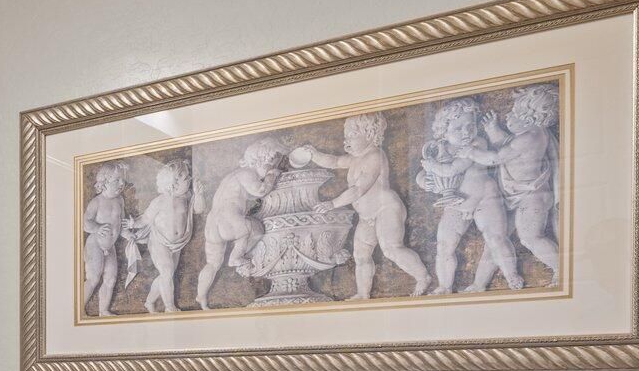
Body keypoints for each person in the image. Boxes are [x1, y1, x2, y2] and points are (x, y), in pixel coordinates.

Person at [294, 112, 431, 299]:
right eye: (346, 135)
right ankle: (363, 294)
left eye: (352, 134)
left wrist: (332, 203)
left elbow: (359, 190)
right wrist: (314, 154)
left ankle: (423, 277)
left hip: (386, 209)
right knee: (361, 255)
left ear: (370, 135)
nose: (347, 139)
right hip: (366, 217)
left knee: (391, 248)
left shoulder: (375, 156)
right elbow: (334, 161)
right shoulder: (355, 158)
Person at [416, 96, 522, 293]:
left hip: (485, 199)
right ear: (444, 131)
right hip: (457, 203)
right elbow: (424, 173)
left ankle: (511, 275)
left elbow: (454, 169)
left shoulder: (476, 144)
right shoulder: (439, 149)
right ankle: (444, 286)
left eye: (470, 126)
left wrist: (434, 167)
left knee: (496, 239)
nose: (466, 132)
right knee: (444, 245)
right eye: (458, 128)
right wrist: (424, 181)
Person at [464, 84, 560, 278]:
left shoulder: (531, 137)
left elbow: (496, 158)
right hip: (517, 195)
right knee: (495, 240)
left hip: (532, 197)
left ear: (530, 116)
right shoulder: (529, 135)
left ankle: (562, 269)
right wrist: (493, 130)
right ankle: (479, 283)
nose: (509, 115)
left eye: (515, 112)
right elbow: (509, 148)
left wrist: (471, 152)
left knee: (530, 237)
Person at [194, 136, 285, 309]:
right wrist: (272, 176)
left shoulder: (233, 176)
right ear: (260, 160)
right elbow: (261, 190)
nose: (270, 169)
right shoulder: (247, 173)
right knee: (255, 229)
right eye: (270, 165)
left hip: (212, 225)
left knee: (212, 264)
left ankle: (201, 296)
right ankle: (236, 257)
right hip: (228, 219)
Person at [132, 161, 195, 313]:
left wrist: (199, 194)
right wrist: (133, 223)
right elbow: (145, 218)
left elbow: (198, 208)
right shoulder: (159, 201)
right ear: (173, 183)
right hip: (159, 242)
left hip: (178, 244)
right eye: (186, 178)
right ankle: (169, 307)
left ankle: (149, 302)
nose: (190, 180)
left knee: (166, 275)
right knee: (167, 272)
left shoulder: (185, 197)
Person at [81, 163, 137, 316]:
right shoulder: (97, 202)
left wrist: (128, 234)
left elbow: (120, 223)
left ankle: (103, 310)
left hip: (110, 247)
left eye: (123, 180)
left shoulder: (120, 201)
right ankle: (78, 308)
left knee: (111, 279)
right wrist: (97, 228)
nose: (121, 183)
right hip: (95, 244)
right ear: (104, 183)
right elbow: (84, 223)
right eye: (117, 180)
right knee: (93, 278)